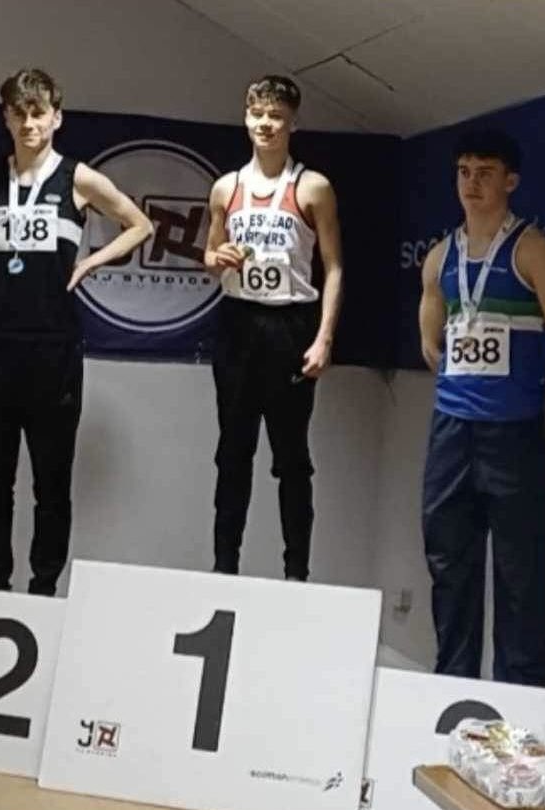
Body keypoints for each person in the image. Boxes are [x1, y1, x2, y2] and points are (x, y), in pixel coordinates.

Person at [0, 68, 153, 595]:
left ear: (56, 118)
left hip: (53, 350)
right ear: (6, 118)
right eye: (19, 113)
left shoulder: (78, 178)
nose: (28, 123)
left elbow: (140, 225)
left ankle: (42, 590)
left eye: (38, 113)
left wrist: (89, 264)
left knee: (51, 484)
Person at [418, 128, 545, 684]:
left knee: (521, 573)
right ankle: (452, 689)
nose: (472, 184)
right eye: (464, 172)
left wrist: (534, 409)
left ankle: (521, 696)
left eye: (485, 173)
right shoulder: (440, 257)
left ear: (510, 181)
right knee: (449, 565)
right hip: (452, 432)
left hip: (512, 434)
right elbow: (432, 344)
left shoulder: (534, 251)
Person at [203, 75, 342, 582]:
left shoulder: (312, 187)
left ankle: (295, 572)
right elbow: (210, 256)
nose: (266, 124)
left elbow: (334, 266)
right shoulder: (226, 187)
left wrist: (324, 336)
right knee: (232, 451)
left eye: (276, 116)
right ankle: (224, 568)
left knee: (291, 457)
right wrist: (218, 257)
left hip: (291, 323)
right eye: (258, 114)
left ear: (292, 123)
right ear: (246, 117)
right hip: (239, 324)